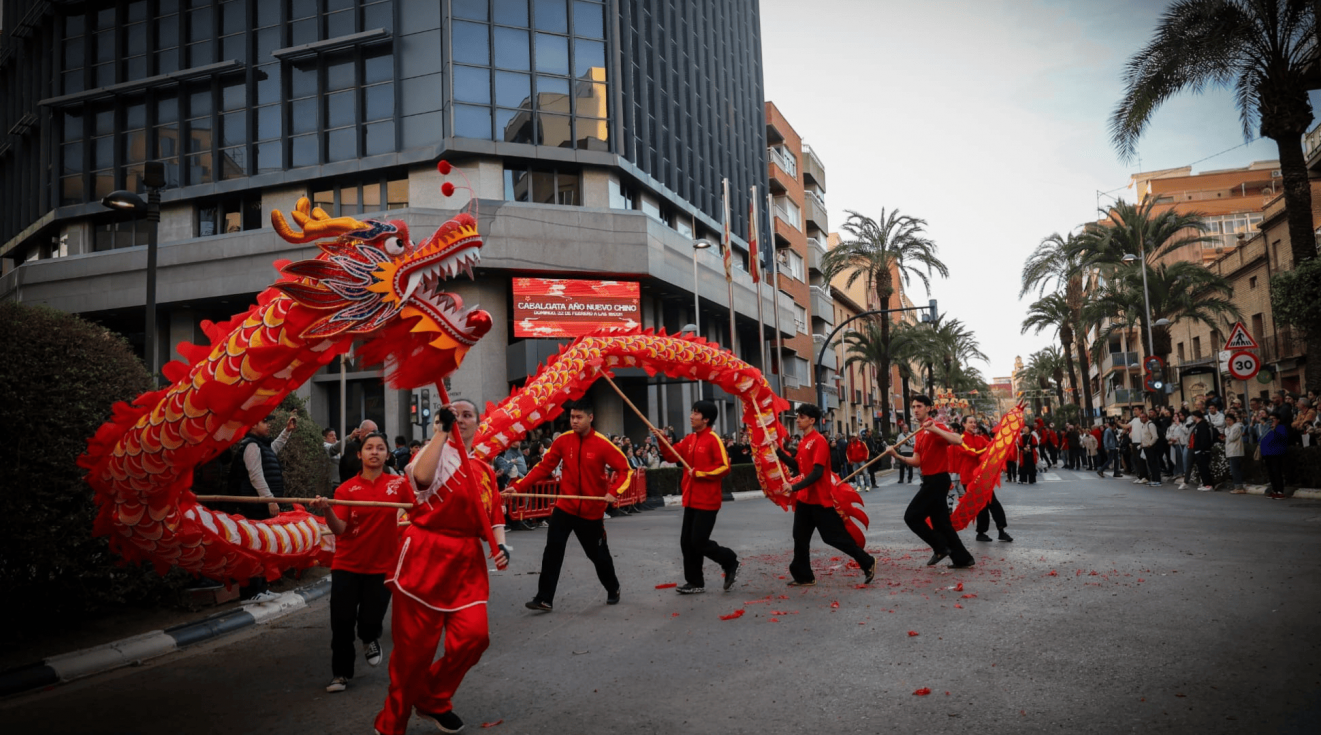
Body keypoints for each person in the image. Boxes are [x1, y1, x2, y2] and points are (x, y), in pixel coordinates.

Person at [373, 400, 509, 735]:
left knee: (474, 639)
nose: (460, 420)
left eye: (467, 416)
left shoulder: (485, 470)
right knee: (413, 655)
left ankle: (432, 698)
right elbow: (420, 478)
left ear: (478, 424)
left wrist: (501, 544)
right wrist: (440, 433)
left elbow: (494, 518)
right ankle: (393, 721)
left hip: (466, 564)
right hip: (424, 557)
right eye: (453, 415)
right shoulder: (430, 455)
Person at [311, 432, 413, 694]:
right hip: (347, 564)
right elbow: (340, 529)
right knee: (341, 622)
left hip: (382, 566)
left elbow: (419, 512)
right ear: (360, 454)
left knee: (369, 621)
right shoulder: (345, 490)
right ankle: (341, 673)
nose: (375, 452)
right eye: (369, 448)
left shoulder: (398, 484)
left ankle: (369, 639)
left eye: (380, 448)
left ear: (388, 455)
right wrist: (327, 509)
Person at [513, 400, 632, 612]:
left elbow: (625, 470)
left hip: (590, 512)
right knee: (552, 551)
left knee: (597, 555)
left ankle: (613, 587)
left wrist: (613, 493)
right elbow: (543, 467)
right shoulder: (563, 441)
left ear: (590, 418)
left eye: (579, 417)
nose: (574, 421)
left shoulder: (603, 444)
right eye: (572, 417)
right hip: (564, 507)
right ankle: (544, 598)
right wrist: (519, 486)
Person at [775, 404, 877, 585]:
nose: (797, 420)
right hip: (805, 499)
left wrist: (794, 487)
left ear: (811, 420)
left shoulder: (819, 441)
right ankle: (803, 576)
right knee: (799, 536)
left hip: (820, 500)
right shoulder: (804, 441)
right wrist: (778, 453)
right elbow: (799, 466)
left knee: (833, 537)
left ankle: (867, 561)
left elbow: (817, 473)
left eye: (801, 417)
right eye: (797, 417)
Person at [654, 400, 739, 594]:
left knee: (699, 541)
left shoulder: (713, 439)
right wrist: (662, 439)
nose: (691, 416)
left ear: (706, 419)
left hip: (707, 501)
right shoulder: (689, 440)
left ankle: (730, 560)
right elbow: (671, 456)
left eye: (696, 413)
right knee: (687, 542)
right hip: (690, 499)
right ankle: (695, 582)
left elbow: (724, 467)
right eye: (692, 412)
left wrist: (700, 473)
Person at [883, 395, 975, 569]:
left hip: (937, 480)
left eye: (919, 406)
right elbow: (917, 461)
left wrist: (936, 429)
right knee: (942, 524)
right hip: (930, 480)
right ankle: (962, 558)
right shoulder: (919, 433)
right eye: (914, 407)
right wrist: (898, 456)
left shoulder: (935, 426)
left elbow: (958, 440)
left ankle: (940, 548)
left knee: (911, 517)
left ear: (928, 408)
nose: (916, 409)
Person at [228, 412, 296, 602]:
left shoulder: (260, 445)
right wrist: (270, 500)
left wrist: (287, 432)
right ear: (251, 426)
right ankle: (251, 592)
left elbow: (273, 450)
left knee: (264, 545)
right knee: (256, 547)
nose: (268, 425)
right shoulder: (250, 445)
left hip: (261, 504)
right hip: (255, 505)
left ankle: (261, 588)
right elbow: (256, 475)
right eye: (264, 421)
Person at [1261, 412, 1290, 499]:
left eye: (1273, 419)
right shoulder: (1267, 428)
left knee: (1277, 473)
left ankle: (1280, 491)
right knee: (1271, 473)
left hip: (1277, 454)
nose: (1271, 421)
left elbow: (1283, 438)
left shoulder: (1281, 428)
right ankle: (1274, 490)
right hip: (1267, 454)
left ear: (1278, 420)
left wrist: (1275, 430)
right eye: (1270, 419)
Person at [1185, 410, 1215, 491]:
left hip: (1203, 451)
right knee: (1201, 468)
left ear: (1196, 416)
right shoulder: (1198, 425)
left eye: (1193, 416)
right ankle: (1205, 484)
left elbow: (1204, 439)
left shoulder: (1203, 426)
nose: (1192, 418)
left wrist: (1202, 449)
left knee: (1204, 468)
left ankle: (1208, 485)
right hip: (1198, 450)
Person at [1224, 412, 1246, 493]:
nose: (1228, 422)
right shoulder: (1230, 428)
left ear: (1233, 420)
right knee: (1234, 470)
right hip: (1231, 451)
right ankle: (1237, 486)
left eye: (1229, 420)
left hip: (1235, 451)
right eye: (1226, 420)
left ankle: (1239, 487)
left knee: (1235, 470)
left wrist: (1226, 430)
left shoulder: (1236, 427)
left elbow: (1231, 438)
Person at [1137, 411, 1161, 487]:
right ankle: (1153, 479)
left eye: (1143, 417)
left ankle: (1157, 480)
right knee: (1150, 464)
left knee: (1154, 464)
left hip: (1151, 447)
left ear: (1146, 417)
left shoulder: (1150, 425)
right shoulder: (1143, 426)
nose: (1141, 419)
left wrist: (1150, 444)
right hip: (1145, 447)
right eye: (1140, 417)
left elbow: (1155, 436)